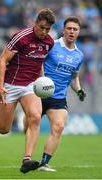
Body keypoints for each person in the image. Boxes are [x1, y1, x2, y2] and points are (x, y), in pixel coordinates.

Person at [0, 8, 56, 174]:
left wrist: (42, 82)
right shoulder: (21, 37)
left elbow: (39, 63)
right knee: (3, 129)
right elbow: (2, 60)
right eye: (41, 27)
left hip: (30, 86)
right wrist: (0, 86)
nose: (44, 32)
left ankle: (27, 159)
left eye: (48, 29)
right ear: (35, 23)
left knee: (35, 117)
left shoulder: (49, 43)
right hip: (11, 84)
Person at [24, 16, 86, 172]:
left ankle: (44, 163)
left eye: (75, 29)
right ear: (64, 30)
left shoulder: (79, 55)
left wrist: (78, 90)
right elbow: (37, 62)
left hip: (58, 98)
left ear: (79, 32)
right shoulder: (52, 45)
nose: (72, 31)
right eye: (69, 28)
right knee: (28, 126)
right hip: (38, 93)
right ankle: (27, 155)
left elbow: (74, 77)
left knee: (59, 126)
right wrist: (41, 80)